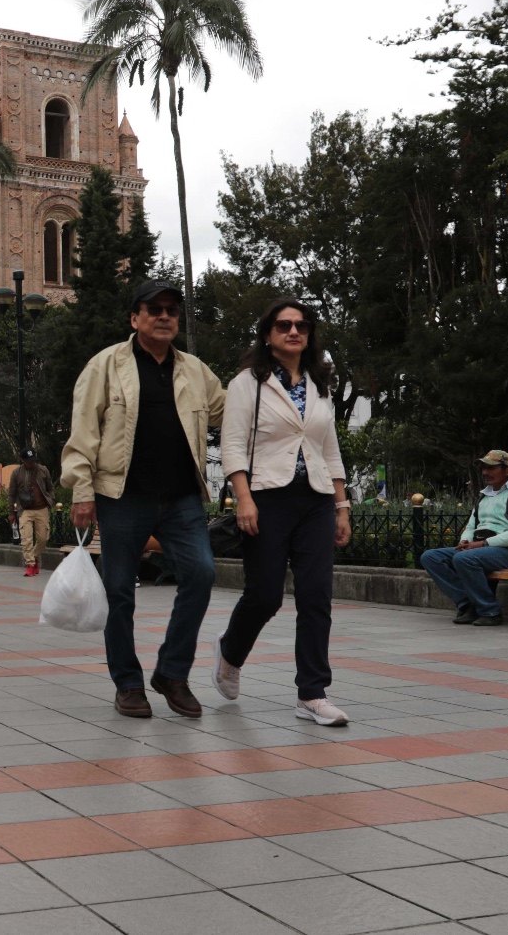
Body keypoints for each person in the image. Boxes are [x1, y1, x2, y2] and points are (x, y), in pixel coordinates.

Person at [60, 281, 225, 720]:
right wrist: (81, 490)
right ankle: (128, 684)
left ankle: (172, 673)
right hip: (122, 497)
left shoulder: (195, 371)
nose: (165, 316)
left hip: (182, 497)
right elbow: (84, 432)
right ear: (135, 318)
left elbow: (231, 412)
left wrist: (267, 380)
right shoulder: (106, 366)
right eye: (155, 309)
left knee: (202, 574)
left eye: (172, 309)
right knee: (119, 592)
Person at [211, 299, 354, 727]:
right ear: (268, 334)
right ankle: (230, 652)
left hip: (315, 500)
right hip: (266, 497)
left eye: (301, 325)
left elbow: (329, 448)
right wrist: (244, 499)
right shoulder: (246, 384)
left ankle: (312, 693)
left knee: (316, 595)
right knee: (265, 595)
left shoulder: (319, 383)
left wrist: (341, 506)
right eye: (284, 325)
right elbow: (232, 445)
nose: (294, 331)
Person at [420, 450, 508, 627]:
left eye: (491, 468)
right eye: (484, 467)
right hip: (480, 548)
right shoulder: (484, 495)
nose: (485, 472)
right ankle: (468, 604)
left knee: (464, 558)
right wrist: (466, 541)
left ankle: (490, 611)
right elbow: (472, 525)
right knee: (431, 557)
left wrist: (484, 543)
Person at [8, 448, 55, 577]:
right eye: (29, 461)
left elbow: (50, 488)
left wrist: (51, 499)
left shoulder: (43, 470)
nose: (31, 463)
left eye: (33, 460)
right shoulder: (16, 473)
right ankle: (30, 564)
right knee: (26, 538)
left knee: (43, 538)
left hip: (42, 508)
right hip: (25, 510)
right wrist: (11, 512)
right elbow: (11, 494)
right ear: (22, 460)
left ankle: (34, 558)